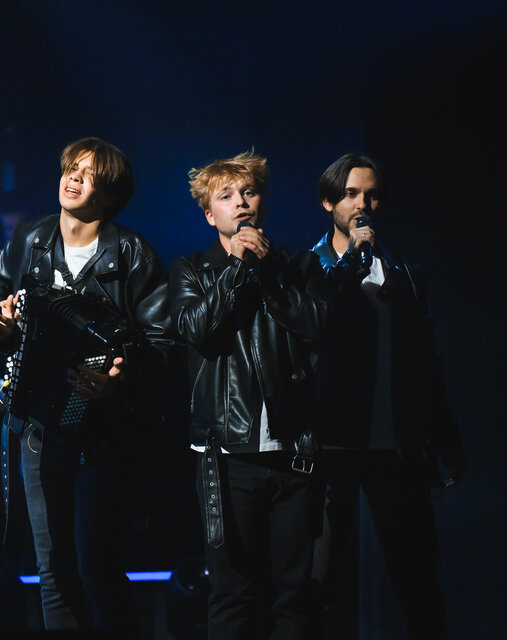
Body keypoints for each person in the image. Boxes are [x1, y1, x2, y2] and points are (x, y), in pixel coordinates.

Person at [0, 137, 170, 632]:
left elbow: (162, 343)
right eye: (70, 168)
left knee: (98, 567)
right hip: (38, 426)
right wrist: (2, 319)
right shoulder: (32, 238)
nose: (74, 178)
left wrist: (119, 380)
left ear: (109, 194)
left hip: (102, 433)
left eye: (89, 173)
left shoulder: (132, 253)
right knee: (53, 569)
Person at [168, 150, 326, 639]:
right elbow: (198, 330)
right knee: (233, 594)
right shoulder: (191, 269)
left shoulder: (299, 265)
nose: (241, 203)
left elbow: (317, 326)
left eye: (249, 193)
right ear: (208, 214)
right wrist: (237, 268)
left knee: (294, 597)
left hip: (294, 454)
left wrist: (268, 272)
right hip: (226, 457)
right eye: (227, 196)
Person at [309, 153, 467, 639]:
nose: (363, 204)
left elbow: (425, 362)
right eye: (351, 194)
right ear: (328, 202)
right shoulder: (309, 267)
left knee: (418, 583)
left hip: (394, 446)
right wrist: (350, 262)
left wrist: (445, 438)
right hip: (331, 445)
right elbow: (315, 329)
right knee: (314, 585)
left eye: (372, 195)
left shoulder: (404, 272)